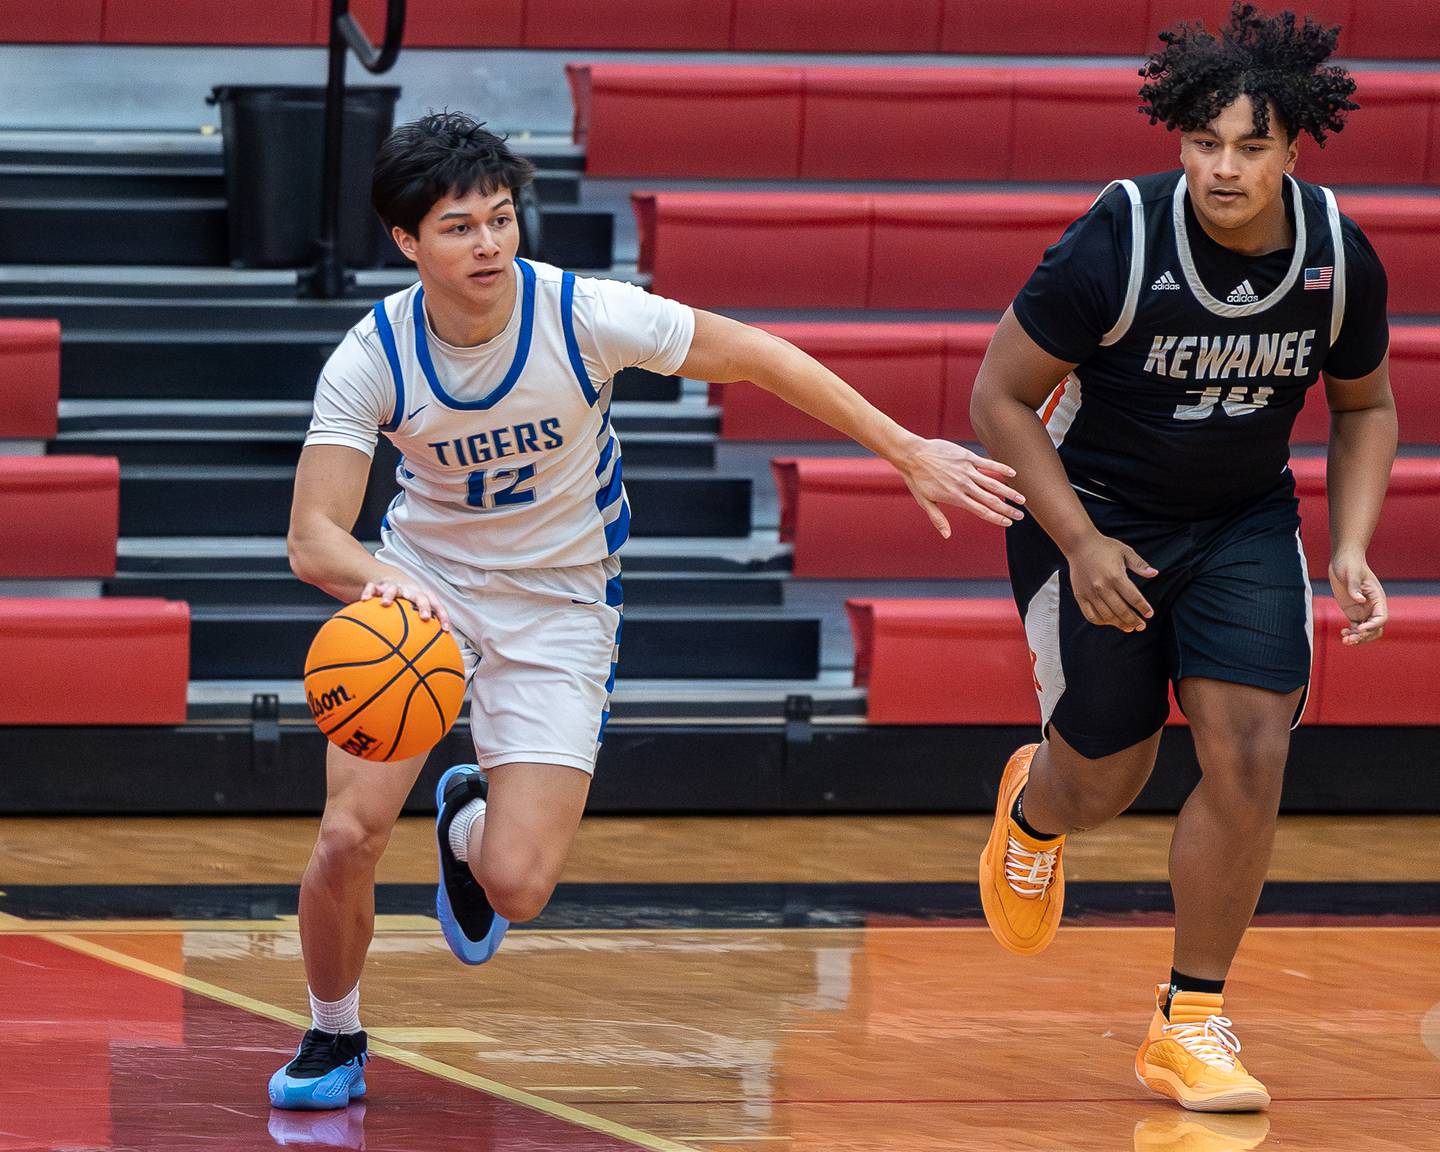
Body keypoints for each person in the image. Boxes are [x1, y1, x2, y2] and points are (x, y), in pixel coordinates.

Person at [269, 111, 1024, 1109]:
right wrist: (380, 577)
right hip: (424, 593)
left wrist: (905, 449)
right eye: (459, 227)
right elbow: (311, 535)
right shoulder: (374, 356)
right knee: (346, 836)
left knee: (520, 887)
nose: (489, 242)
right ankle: (334, 1034)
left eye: (501, 218)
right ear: (408, 242)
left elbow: (757, 355)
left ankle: (465, 828)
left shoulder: (584, 314)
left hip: (561, 602)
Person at [970, 3, 1393, 1112]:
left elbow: (1367, 407)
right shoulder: (1118, 236)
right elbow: (998, 398)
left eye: (1250, 145)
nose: (1222, 167)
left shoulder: (1337, 252)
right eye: (1204, 142)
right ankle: (1035, 809)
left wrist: (1349, 546)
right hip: (1093, 509)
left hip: (1244, 521)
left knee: (1251, 750)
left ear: (1294, 147)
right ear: (1178, 141)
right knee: (1110, 774)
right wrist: (1080, 539)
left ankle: (1189, 1021)